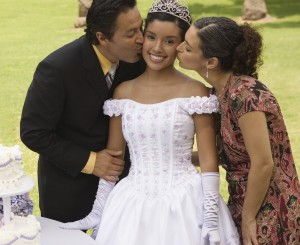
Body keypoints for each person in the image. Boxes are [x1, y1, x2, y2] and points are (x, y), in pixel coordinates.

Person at [62, 1, 241, 244]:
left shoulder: (194, 91)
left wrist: (210, 215)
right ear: (142, 37)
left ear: (181, 46)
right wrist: (99, 210)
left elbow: (209, 160)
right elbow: (114, 157)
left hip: (185, 202)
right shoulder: (122, 93)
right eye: (151, 37)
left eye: (169, 41)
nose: (158, 48)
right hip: (132, 203)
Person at [176, 16, 300, 245]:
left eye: (187, 46)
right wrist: (173, 159)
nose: (178, 48)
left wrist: (249, 217)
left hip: (271, 206)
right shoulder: (217, 94)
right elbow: (220, 153)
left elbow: (263, 163)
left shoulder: (244, 95)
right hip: (243, 201)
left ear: (211, 62)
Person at [20, 0, 145, 223]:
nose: (141, 39)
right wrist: (91, 161)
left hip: (127, 187)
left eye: (141, 27)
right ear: (102, 37)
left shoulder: (138, 61)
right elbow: (33, 132)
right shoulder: (57, 68)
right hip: (68, 188)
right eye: (131, 33)